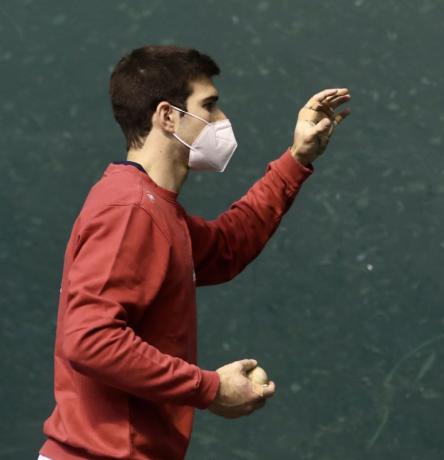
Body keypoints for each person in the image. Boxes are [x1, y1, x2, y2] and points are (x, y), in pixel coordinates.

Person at [38, 45, 351, 460]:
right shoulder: (129, 210)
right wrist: (211, 388)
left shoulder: (152, 208)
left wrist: (297, 158)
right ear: (168, 116)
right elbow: (90, 339)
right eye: (210, 106)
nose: (222, 121)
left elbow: (226, 247)